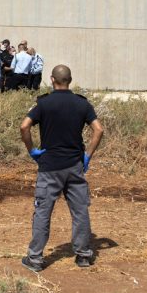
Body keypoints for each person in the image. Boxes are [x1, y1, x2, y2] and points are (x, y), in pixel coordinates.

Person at [19, 65, 104, 271]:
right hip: (75, 166)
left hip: (49, 167)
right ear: (70, 80)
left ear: (52, 79)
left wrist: (32, 150)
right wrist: (87, 156)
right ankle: (83, 256)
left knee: (43, 212)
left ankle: (35, 259)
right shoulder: (82, 104)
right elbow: (98, 129)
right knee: (80, 211)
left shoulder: (44, 103)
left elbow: (24, 126)